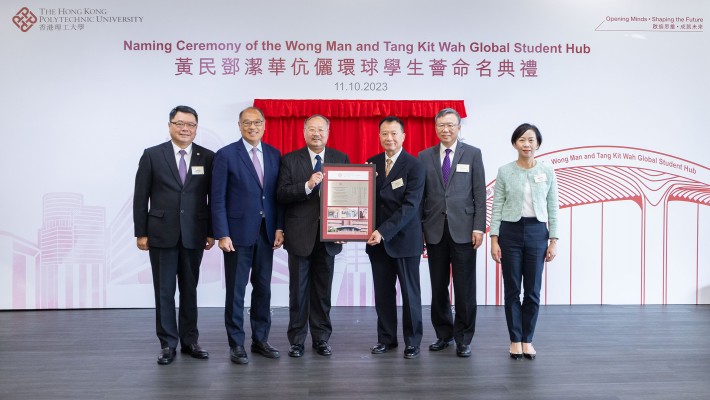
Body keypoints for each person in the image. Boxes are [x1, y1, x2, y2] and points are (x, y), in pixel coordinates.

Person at [133, 105, 214, 365]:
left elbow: (214, 198)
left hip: (194, 233)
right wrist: (141, 232)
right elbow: (140, 196)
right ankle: (168, 343)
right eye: (180, 123)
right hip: (160, 234)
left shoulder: (207, 157)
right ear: (169, 125)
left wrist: (212, 232)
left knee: (190, 289)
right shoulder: (152, 155)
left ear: (196, 128)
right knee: (165, 291)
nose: (185, 128)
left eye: (190, 124)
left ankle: (190, 340)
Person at [211, 106, 284, 365]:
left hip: (266, 234)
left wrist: (279, 227)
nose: (252, 127)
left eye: (257, 122)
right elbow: (217, 198)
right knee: (236, 291)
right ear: (239, 125)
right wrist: (221, 233)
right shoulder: (226, 155)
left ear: (264, 125)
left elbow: (277, 197)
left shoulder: (275, 155)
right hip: (237, 235)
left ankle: (260, 339)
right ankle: (236, 344)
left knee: (263, 289)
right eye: (247, 123)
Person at [277, 114, 350, 358]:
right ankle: (296, 340)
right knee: (298, 292)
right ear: (304, 132)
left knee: (322, 291)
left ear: (328, 133)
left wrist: (346, 227)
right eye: (311, 129)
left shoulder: (341, 158)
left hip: (329, 237)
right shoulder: (289, 160)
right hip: (299, 236)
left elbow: (349, 196)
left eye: (320, 129)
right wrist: (307, 185)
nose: (316, 133)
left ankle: (321, 339)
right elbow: (282, 194)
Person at [419, 108, 486, 358]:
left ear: (459, 128)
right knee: (438, 286)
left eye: (450, 125)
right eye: (441, 125)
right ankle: (444, 335)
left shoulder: (473, 154)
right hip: (435, 230)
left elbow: (479, 193)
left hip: (465, 230)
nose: (445, 130)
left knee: (465, 287)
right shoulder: (424, 156)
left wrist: (479, 227)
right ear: (435, 128)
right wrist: (420, 230)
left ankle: (464, 338)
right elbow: (421, 196)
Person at [489, 123, 559, 360]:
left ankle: (527, 339)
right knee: (511, 290)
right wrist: (494, 239)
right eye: (521, 140)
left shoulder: (548, 171)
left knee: (532, 291)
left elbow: (553, 208)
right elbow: (497, 205)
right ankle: (514, 339)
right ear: (514, 144)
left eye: (530, 140)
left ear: (538, 143)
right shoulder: (505, 171)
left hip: (537, 233)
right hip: (510, 232)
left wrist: (553, 240)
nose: (526, 144)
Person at [366, 116, 425, 359]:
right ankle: (386, 339)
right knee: (383, 294)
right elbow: (366, 202)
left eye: (393, 133)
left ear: (403, 137)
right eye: (384, 134)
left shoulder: (414, 165)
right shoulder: (372, 163)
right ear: (379, 136)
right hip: (377, 244)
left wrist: (383, 231)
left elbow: (410, 207)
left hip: (404, 240)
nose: (388, 138)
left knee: (411, 295)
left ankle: (412, 341)